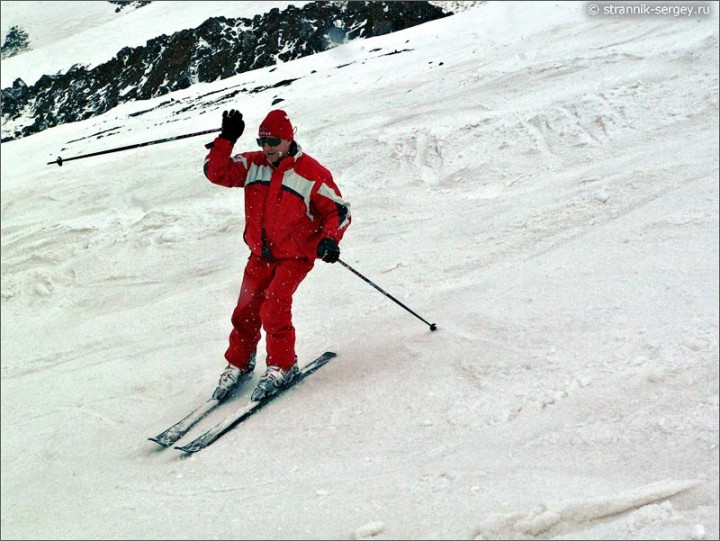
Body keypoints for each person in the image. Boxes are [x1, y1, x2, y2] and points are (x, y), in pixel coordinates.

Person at [203, 109, 351, 402]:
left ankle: (283, 365)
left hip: (295, 257)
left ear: (288, 140)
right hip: (260, 254)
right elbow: (215, 172)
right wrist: (226, 139)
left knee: (274, 305)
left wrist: (330, 240)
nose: (267, 148)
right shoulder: (253, 164)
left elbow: (338, 211)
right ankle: (240, 362)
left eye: (273, 142)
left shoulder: (311, 173)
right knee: (245, 310)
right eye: (262, 141)